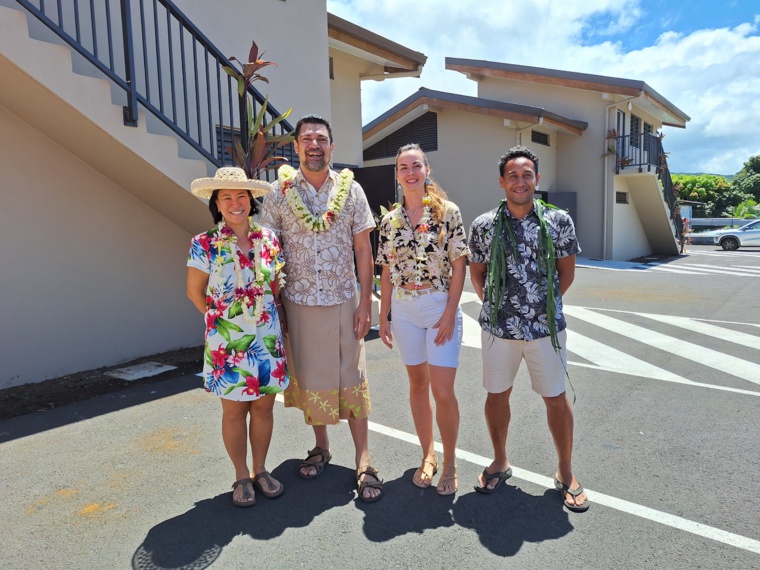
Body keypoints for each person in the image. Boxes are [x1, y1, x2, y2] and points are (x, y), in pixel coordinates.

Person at [260, 114, 383, 502]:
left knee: (353, 376)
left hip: (345, 300)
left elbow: (364, 248)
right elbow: (269, 250)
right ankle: (322, 447)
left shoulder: (353, 191)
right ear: (295, 146)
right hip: (298, 302)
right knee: (312, 378)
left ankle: (364, 460)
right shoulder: (277, 193)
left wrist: (366, 301)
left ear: (332, 146)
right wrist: (275, 304)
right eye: (307, 139)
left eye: (322, 139)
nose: (315, 145)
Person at [468, 146, 589, 512]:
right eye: (513, 175)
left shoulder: (559, 221)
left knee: (555, 398)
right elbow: (477, 274)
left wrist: (540, 305)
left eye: (527, 175)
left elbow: (566, 272)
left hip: (544, 328)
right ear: (502, 181)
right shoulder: (483, 225)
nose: (520, 181)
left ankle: (565, 471)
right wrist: (499, 306)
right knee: (496, 396)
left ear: (537, 179)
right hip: (497, 329)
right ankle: (500, 460)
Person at [186, 166, 289, 508]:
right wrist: (221, 323)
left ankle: (261, 470)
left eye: (241, 196)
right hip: (227, 344)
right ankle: (241, 474)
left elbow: (274, 289)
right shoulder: (203, 244)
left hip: (266, 338)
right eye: (226, 197)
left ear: (251, 200)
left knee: (263, 409)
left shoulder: (269, 241)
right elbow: (194, 292)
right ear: (216, 203)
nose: (235, 203)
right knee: (233, 412)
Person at [375, 144, 468, 495]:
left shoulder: (448, 212)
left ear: (427, 170)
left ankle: (451, 462)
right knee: (417, 385)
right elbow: (385, 270)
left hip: (437, 304)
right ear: (397, 174)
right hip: (404, 307)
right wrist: (383, 316)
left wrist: (449, 313)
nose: (410, 172)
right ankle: (427, 454)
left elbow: (460, 264)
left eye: (416, 166)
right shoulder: (389, 221)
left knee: (443, 391)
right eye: (403, 167)